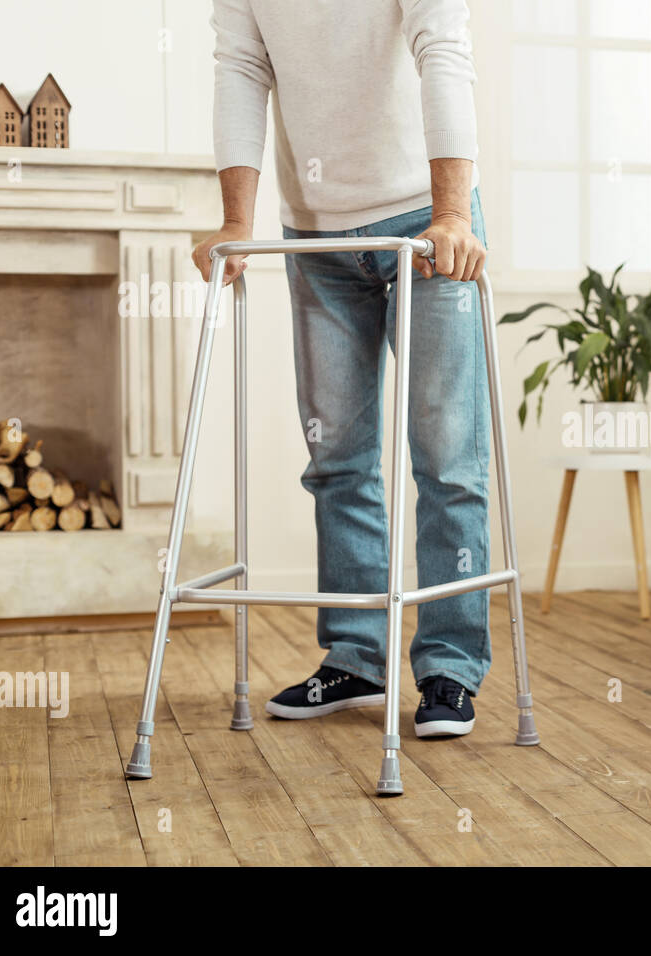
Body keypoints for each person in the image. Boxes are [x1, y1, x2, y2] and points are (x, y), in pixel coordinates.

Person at [193, 0, 490, 738]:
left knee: (448, 455)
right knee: (337, 460)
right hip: (315, 235)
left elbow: (443, 48)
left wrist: (453, 214)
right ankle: (356, 657)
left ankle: (450, 667)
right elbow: (241, 67)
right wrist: (236, 222)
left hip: (427, 222)